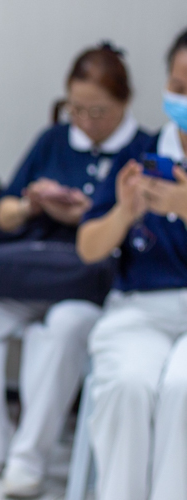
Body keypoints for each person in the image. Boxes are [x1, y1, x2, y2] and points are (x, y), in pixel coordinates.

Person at [0, 42, 151, 497]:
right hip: (29, 272)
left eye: (96, 111)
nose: (83, 121)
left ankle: (29, 459)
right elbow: (2, 214)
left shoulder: (142, 149)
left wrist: (89, 213)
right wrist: (32, 204)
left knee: (64, 328)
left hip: (88, 285)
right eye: (75, 109)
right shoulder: (54, 139)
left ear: (124, 103)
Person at [76, 29, 187, 500]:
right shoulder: (138, 156)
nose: (183, 99)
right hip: (139, 311)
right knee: (128, 384)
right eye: (179, 87)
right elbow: (89, 247)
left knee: (183, 389)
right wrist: (125, 211)